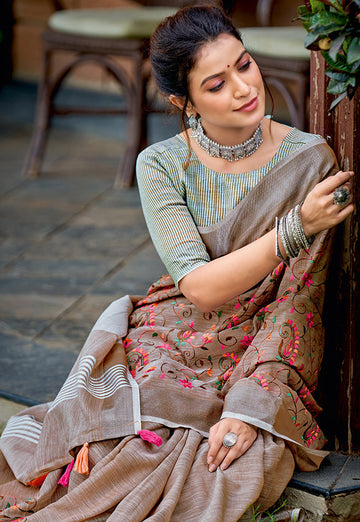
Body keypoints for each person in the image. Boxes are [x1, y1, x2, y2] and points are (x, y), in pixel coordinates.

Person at [0, 4, 354, 521]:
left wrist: (251, 403)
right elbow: (199, 289)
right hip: (173, 329)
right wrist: (297, 225)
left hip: (258, 341)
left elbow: (300, 298)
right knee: (116, 444)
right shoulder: (163, 164)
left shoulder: (309, 160)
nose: (242, 87)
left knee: (215, 460)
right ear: (183, 102)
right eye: (215, 84)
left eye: (245, 64)